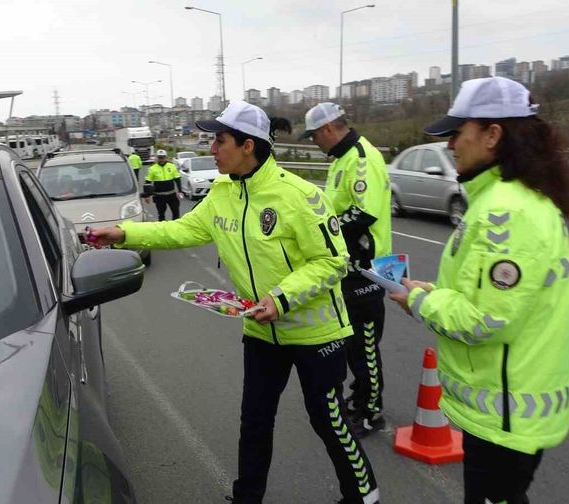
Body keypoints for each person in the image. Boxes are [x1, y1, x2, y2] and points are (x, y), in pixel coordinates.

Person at [90, 101, 380, 504]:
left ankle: (363, 497)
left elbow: (332, 261)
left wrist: (281, 299)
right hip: (260, 330)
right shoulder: (222, 193)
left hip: (317, 333)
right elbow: (180, 230)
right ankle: (247, 497)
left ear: (248, 145)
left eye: (219, 141)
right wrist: (123, 233)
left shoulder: (300, 196)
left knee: (329, 422)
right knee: (255, 422)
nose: (212, 149)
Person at [388, 77, 569, 504]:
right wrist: (431, 290)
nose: (451, 143)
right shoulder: (507, 200)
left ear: (493, 135)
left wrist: (419, 300)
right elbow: (483, 295)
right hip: (504, 411)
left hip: (506, 417)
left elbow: (487, 318)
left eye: (458, 132)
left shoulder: (508, 213)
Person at [301, 102, 392, 437]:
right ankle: (359, 399)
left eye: (314, 136)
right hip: (349, 267)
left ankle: (370, 412)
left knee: (365, 344)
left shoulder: (361, 156)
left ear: (327, 129)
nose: (314, 143)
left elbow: (362, 214)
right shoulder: (342, 158)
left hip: (369, 268)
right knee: (351, 342)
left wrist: (324, 231)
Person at [145, 149, 183, 221]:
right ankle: (163, 230)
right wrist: (147, 196)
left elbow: (177, 179)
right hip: (159, 196)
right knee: (161, 215)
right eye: (159, 157)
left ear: (166, 157)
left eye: (163, 157)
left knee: (176, 213)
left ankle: (175, 229)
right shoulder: (152, 168)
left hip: (171, 194)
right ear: (156, 158)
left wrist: (180, 191)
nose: (161, 159)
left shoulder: (172, 166)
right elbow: (147, 182)